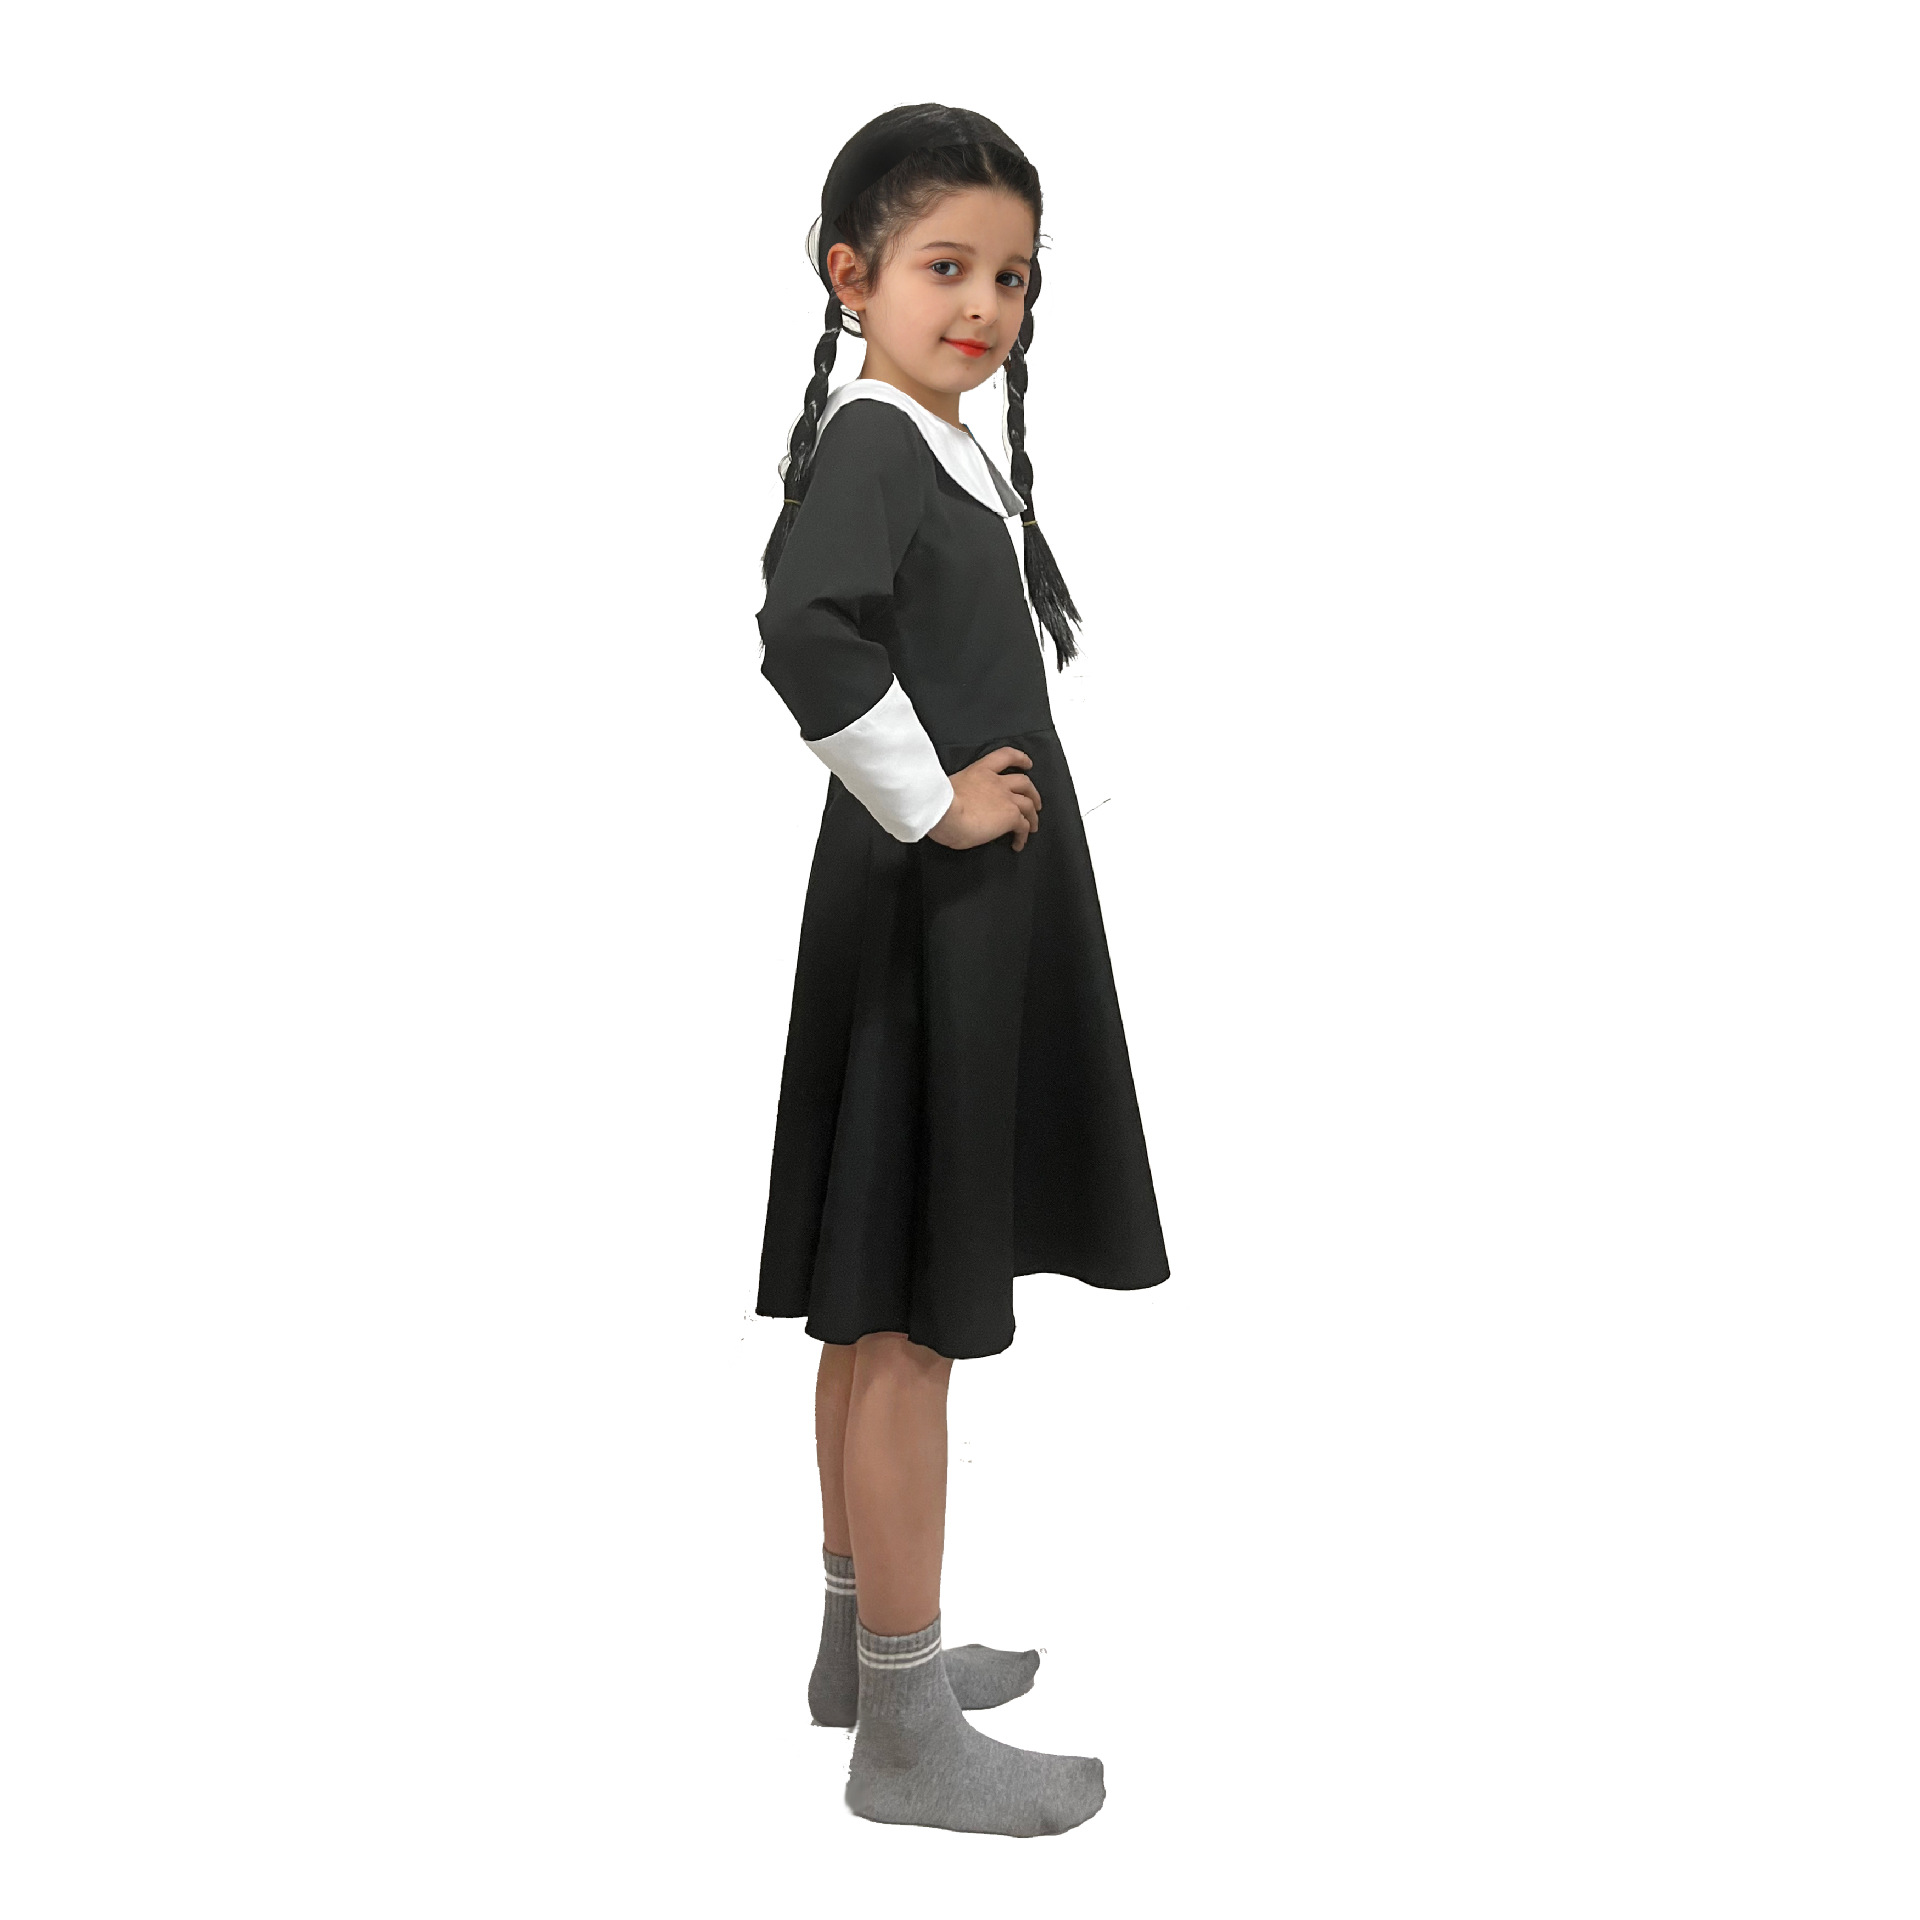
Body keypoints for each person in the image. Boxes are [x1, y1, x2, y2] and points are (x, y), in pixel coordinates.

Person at [753, 103, 1171, 1838]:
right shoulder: (876, 447)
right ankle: (908, 1732)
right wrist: (933, 805)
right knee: (916, 1317)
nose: (985, 304)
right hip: (935, 913)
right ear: (850, 275)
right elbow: (804, 631)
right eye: (947, 267)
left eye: (1012, 275)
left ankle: (863, 1655)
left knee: (872, 1298)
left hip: (933, 912)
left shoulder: (925, 444)